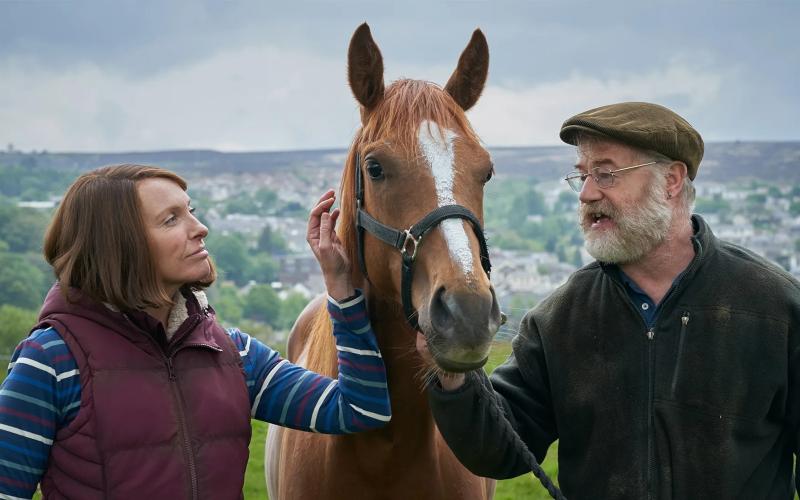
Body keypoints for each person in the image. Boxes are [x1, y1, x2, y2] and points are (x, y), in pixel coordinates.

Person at [418, 102, 800, 498]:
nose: (586, 193)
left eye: (606, 174)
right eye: (582, 175)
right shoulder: (561, 318)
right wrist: (453, 375)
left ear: (671, 180)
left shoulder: (775, 308)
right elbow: (501, 448)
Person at [0, 164, 391, 499]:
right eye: (171, 219)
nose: (200, 229)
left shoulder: (232, 353)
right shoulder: (52, 361)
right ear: (118, 245)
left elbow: (361, 409)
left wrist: (341, 289)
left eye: (191, 212)